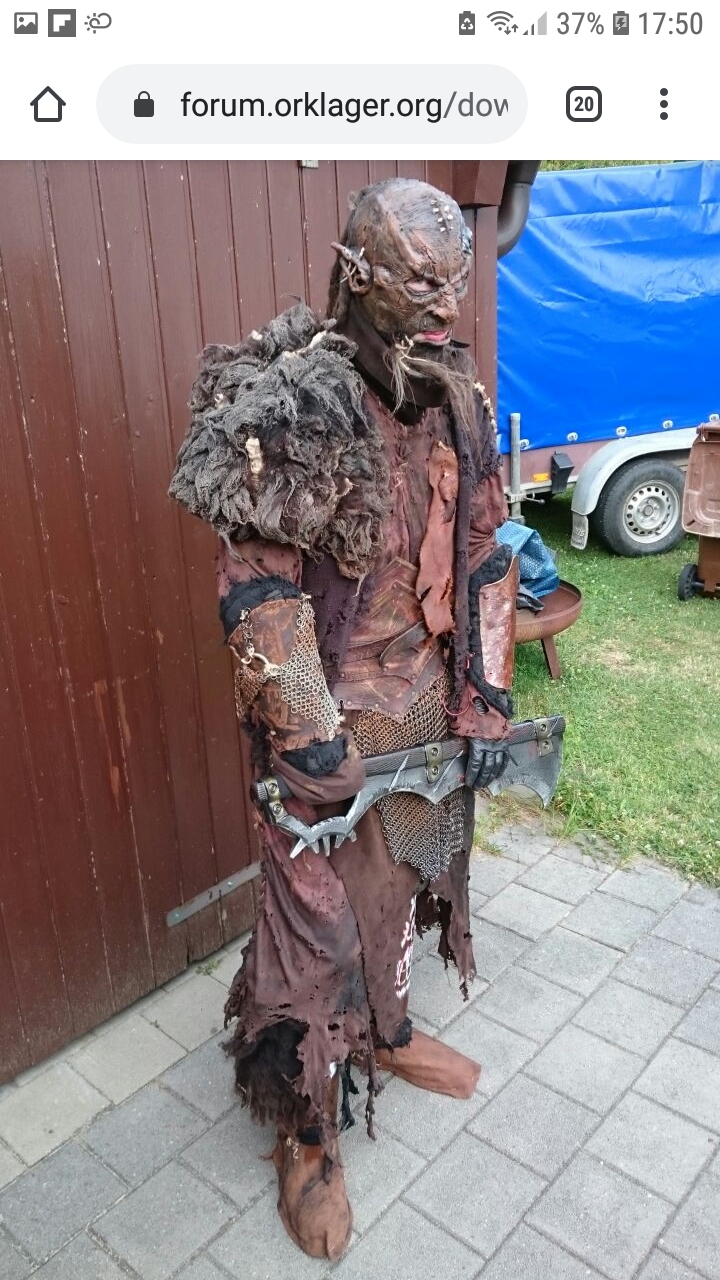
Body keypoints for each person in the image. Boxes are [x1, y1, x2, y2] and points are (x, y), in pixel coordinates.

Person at [169, 177, 517, 1261]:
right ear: (359, 277)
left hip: (422, 700)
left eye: (453, 286)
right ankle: (307, 1129)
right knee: (311, 930)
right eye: (420, 288)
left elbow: (485, 545)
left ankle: (391, 1030)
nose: (445, 311)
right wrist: (309, 738)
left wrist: (486, 691)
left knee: (404, 881)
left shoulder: (454, 395)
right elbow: (258, 589)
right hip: (320, 719)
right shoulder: (296, 408)